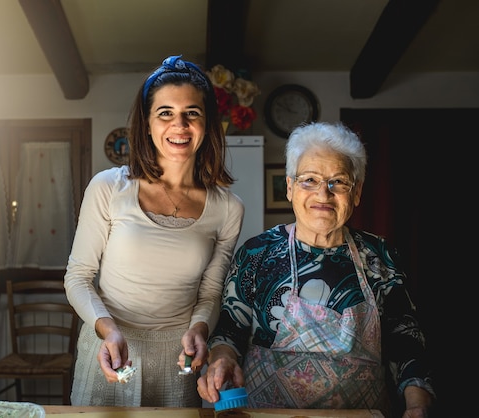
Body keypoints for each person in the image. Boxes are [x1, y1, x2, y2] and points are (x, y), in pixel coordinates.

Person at [197, 121, 435, 417]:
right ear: (289, 187)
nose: (323, 194)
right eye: (309, 180)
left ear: (357, 192)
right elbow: (230, 329)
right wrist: (222, 358)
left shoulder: (379, 255)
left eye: (338, 182)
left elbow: (405, 338)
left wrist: (417, 403)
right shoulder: (258, 253)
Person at [64, 55, 244, 407]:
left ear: (208, 123)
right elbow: (78, 277)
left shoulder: (228, 207)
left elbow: (210, 292)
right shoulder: (108, 187)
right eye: (165, 113)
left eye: (192, 112)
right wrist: (109, 330)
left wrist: (200, 329)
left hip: (180, 358)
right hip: (111, 349)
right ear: (147, 123)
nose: (179, 125)